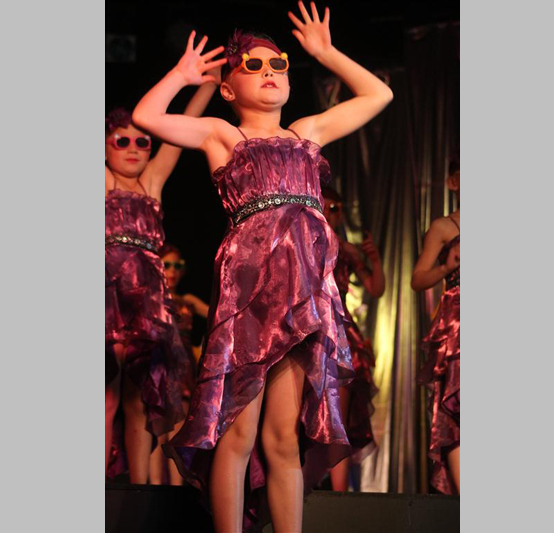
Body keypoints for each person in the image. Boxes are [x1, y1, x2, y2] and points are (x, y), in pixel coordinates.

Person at [133, 3, 393, 530]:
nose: (269, 71)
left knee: (282, 438)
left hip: (302, 297)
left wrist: (327, 53)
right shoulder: (222, 135)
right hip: (249, 295)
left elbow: (378, 95)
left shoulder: (307, 132)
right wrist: (182, 75)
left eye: (278, 64)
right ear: (228, 89)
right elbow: (147, 118)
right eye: (252, 65)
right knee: (239, 430)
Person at [105, 74, 219, 484]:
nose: (134, 148)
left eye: (142, 141)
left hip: (147, 306)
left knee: (139, 400)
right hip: (107, 300)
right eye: (121, 140)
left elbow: (180, 131)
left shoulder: (151, 183)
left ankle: (137, 493)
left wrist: (208, 84)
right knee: (105, 397)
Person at [321, 186, 384, 492]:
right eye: (327, 207)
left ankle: (338, 493)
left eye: (337, 209)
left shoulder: (346, 250)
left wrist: (375, 260)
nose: (332, 213)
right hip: (311, 326)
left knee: (337, 416)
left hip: (339, 331)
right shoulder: (306, 240)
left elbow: (376, 288)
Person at [410, 157, 460, 494]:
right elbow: (418, 279)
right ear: (453, 182)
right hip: (460, 324)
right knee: (458, 404)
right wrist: (447, 267)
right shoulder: (444, 227)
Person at [151, 244, 210, 485]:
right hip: (158, 362)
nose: (173, 271)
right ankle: (151, 487)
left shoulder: (187, 300)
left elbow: (218, 314)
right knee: (155, 426)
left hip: (183, 366)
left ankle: (176, 486)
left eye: (177, 265)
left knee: (177, 426)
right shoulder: (152, 298)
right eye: (167, 265)